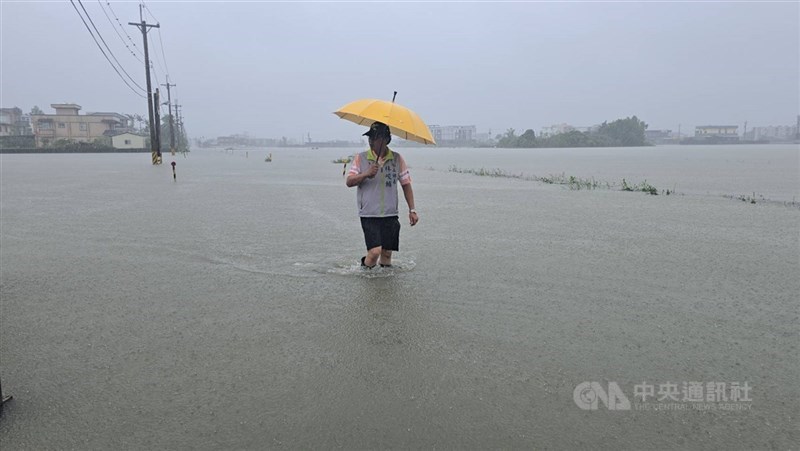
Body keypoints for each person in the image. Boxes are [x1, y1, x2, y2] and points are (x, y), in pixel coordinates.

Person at [346, 121, 418, 268]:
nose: (371, 141)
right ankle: (365, 275)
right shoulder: (361, 158)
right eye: (370, 137)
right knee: (374, 252)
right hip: (369, 213)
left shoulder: (397, 159)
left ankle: (385, 286)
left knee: (386, 253)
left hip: (390, 213)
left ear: (386, 139)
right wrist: (366, 173)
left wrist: (412, 210)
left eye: (376, 137)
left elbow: (406, 184)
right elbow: (349, 181)